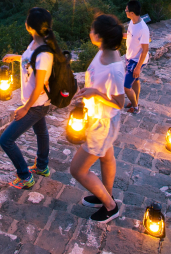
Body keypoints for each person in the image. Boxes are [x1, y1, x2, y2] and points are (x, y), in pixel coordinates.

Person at [71, 14, 127, 223]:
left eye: (93, 30)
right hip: (100, 117)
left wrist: (96, 93)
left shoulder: (114, 68)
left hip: (102, 123)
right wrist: (91, 90)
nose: (90, 33)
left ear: (101, 36)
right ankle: (105, 195)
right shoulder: (104, 52)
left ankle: (111, 207)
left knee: (77, 169)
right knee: (106, 157)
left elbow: (120, 103)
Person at [0, 7, 58, 189]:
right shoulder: (35, 44)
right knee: (41, 132)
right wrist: (15, 58)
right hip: (37, 103)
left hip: (36, 104)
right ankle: (42, 166)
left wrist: (25, 108)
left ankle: (24, 175)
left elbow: (40, 84)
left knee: (6, 140)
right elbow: (29, 62)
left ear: (29, 26)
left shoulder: (44, 52)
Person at [122, 0, 150, 115]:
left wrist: (138, 67)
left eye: (127, 10)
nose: (125, 11)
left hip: (136, 61)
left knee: (126, 86)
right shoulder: (132, 22)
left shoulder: (143, 29)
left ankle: (135, 106)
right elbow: (129, 36)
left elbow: (145, 50)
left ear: (132, 12)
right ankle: (135, 101)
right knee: (135, 81)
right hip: (130, 57)